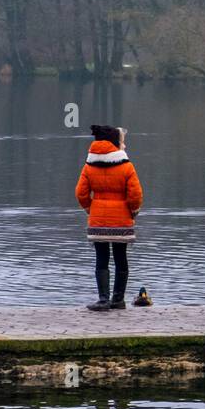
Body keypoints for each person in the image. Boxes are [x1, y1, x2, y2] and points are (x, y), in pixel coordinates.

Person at [75, 124, 143, 311]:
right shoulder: (127, 166)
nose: (125, 146)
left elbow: (80, 193)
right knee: (121, 258)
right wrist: (133, 211)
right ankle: (118, 299)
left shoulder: (89, 166)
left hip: (98, 219)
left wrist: (91, 208)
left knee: (101, 259)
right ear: (115, 143)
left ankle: (103, 300)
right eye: (122, 142)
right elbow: (135, 194)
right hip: (121, 219)